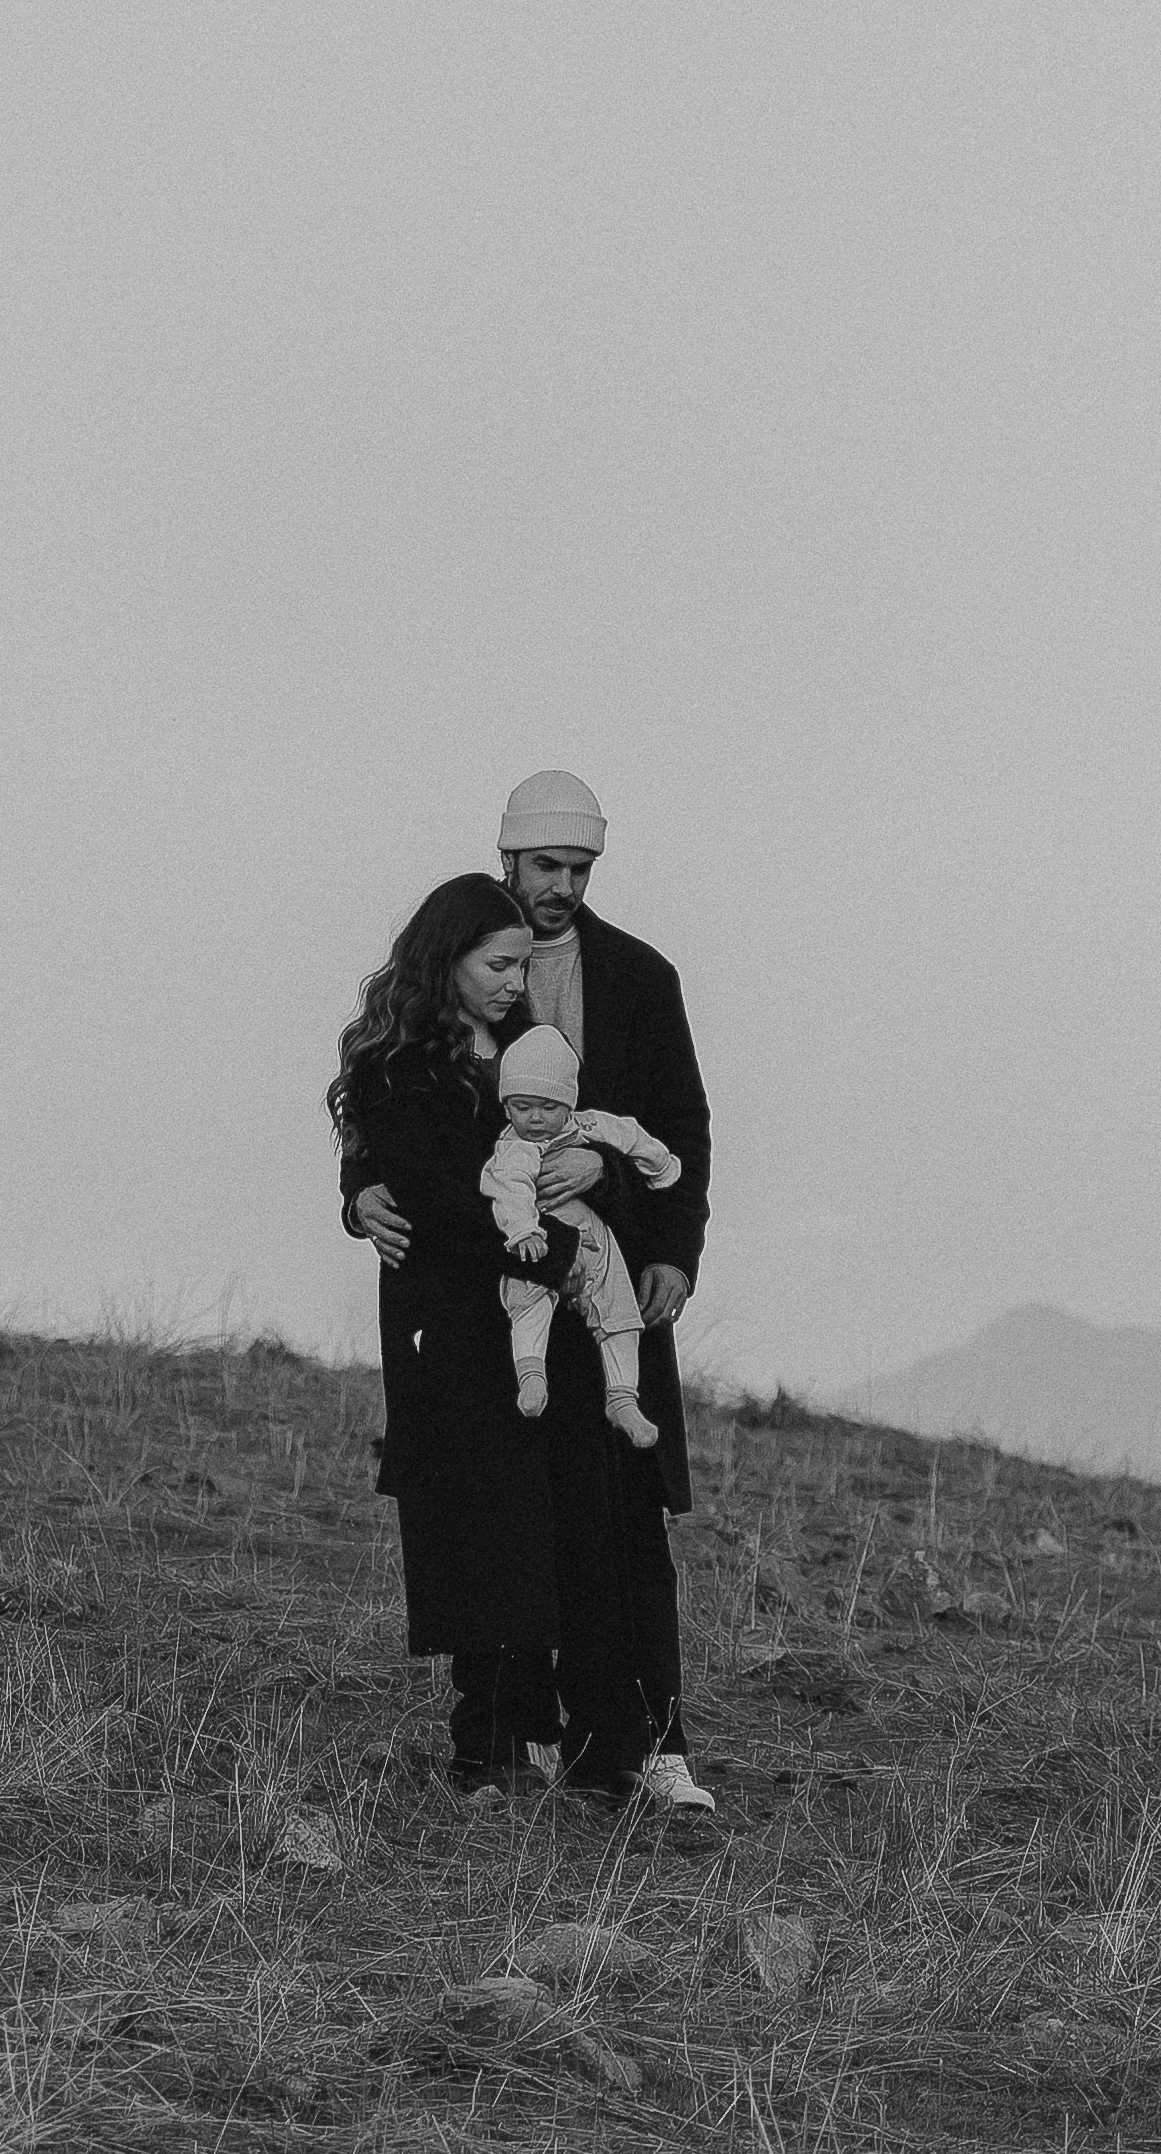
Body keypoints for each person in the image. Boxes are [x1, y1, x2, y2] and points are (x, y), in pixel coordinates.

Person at [345, 770, 716, 1814]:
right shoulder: (453, 988)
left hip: (608, 1279)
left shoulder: (640, 976)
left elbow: (677, 1128)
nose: (561, 884)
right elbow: (397, 1128)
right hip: (484, 1293)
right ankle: (511, 1732)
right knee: (502, 1508)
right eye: (546, 864)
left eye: (579, 867)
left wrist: (670, 1252)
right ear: (507, 857)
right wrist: (356, 1192)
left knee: (621, 1513)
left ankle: (643, 1741)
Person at [485, 1021, 681, 1443]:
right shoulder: (514, 1149)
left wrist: (660, 1165)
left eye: (548, 1106)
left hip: (595, 1240)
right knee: (530, 1296)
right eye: (521, 1106)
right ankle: (531, 1374)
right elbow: (510, 1190)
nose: (535, 1118)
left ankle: (623, 1397)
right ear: (506, 1107)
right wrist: (524, 1233)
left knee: (618, 1307)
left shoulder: (592, 1128)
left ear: (568, 1104)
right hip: (543, 1236)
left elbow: (630, 1135)